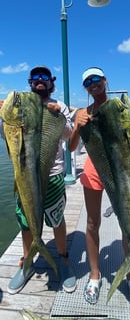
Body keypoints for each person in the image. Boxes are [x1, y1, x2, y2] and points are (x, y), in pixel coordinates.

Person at [68, 67, 130, 306]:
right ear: (86, 88)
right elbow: (72, 147)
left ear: (104, 81)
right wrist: (77, 124)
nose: (93, 84)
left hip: (121, 171)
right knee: (92, 223)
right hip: (95, 170)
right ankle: (94, 275)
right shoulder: (84, 112)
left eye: (96, 79)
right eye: (87, 82)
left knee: (126, 223)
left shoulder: (123, 108)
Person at [0, 65, 77, 294]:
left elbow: (69, 135)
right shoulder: (21, 105)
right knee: (26, 222)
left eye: (44, 77)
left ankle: (63, 261)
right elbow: (8, 136)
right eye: (35, 77)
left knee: (57, 219)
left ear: (51, 82)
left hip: (52, 176)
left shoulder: (59, 105)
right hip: (24, 176)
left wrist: (58, 115)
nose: (40, 80)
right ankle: (28, 262)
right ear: (30, 82)